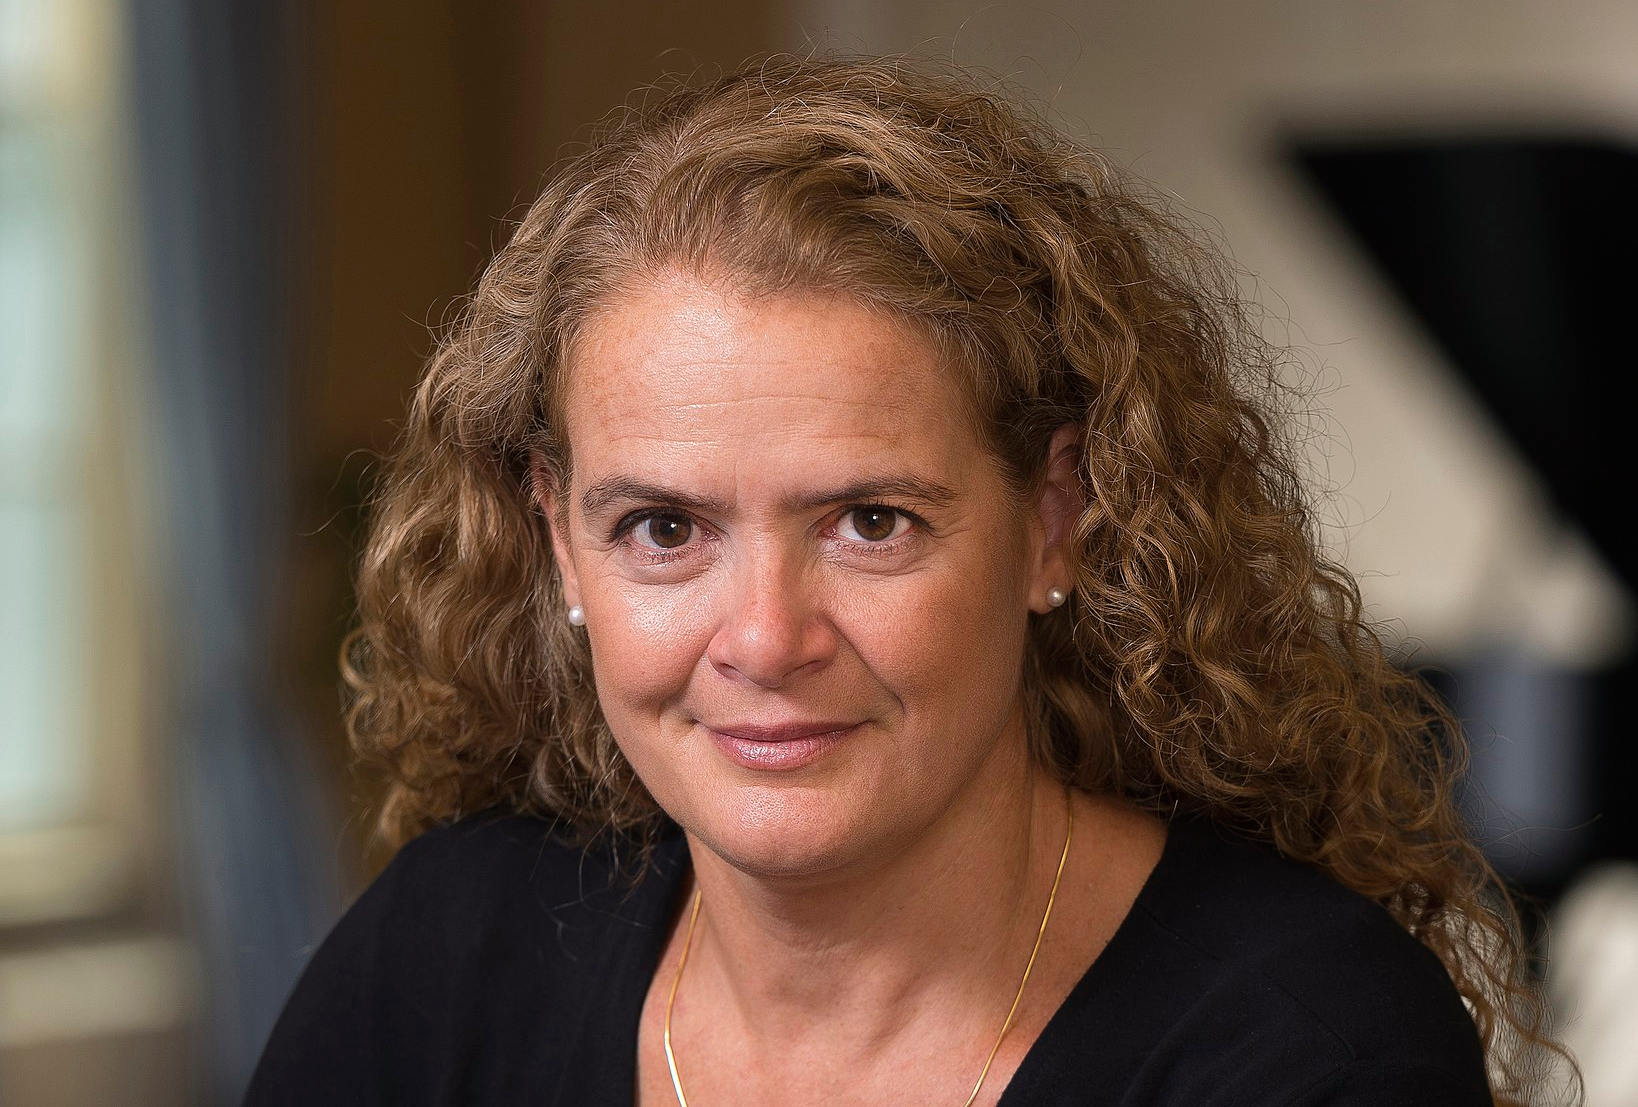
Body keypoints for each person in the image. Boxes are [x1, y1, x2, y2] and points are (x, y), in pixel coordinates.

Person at [247, 57, 1569, 1106]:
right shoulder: (440, 961)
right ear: (556, 540)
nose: (763, 637)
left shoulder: (1303, 1048)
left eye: (869, 521)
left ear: (1056, 516)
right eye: (661, 529)